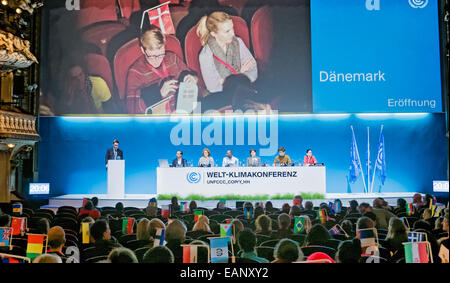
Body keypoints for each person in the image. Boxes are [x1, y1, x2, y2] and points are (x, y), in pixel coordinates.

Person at [126, 25, 199, 114]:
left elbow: (191, 76)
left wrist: (193, 79)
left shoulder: (172, 58)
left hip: (183, 111)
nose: (158, 60)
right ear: (143, 50)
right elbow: (132, 111)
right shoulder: (135, 72)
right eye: (152, 56)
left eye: (161, 54)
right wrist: (159, 94)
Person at [197, 11, 257, 93]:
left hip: (245, 90)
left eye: (232, 28)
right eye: (227, 31)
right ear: (214, 33)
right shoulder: (205, 55)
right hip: (223, 99)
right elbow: (213, 88)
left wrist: (226, 81)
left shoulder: (238, 42)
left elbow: (253, 70)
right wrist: (240, 74)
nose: (233, 33)